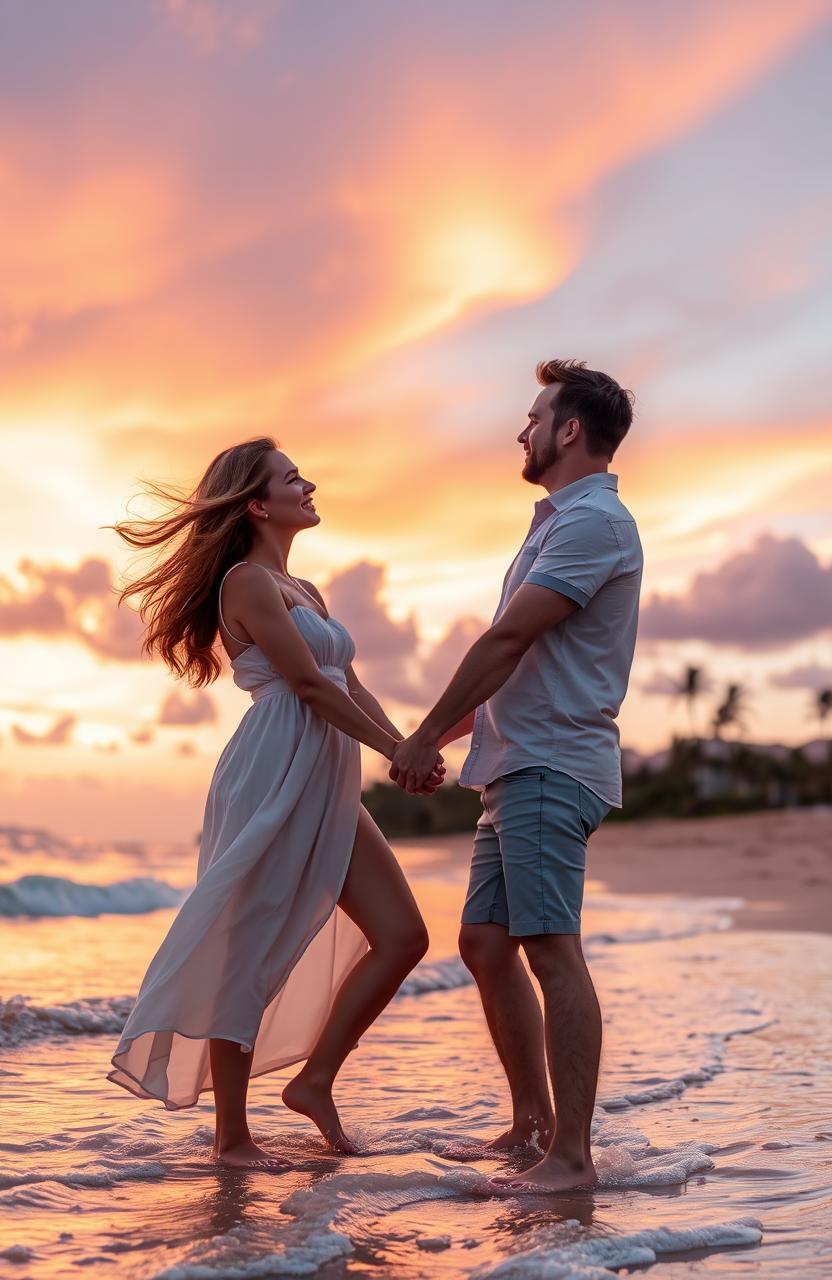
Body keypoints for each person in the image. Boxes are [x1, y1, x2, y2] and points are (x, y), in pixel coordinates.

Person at [106, 439, 442, 1169]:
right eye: (293, 478)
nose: (309, 483)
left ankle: (314, 1080)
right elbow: (311, 687)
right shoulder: (245, 584)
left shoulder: (307, 591)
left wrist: (408, 746)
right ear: (258, 504)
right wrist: (394, 753)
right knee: (246, 945)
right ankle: (232, 1138)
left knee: (403, 935)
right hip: (274, 767)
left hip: (326, 772)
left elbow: (346, 682)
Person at [390, 359, 643, 1194]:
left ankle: (570, 1158)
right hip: (513, 767)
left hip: (549, 765)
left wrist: (426, 732)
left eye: (535, 416)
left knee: (548, 949)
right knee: (486, 946)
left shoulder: (592, 524)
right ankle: (531, 1128)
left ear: (571, 430)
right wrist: (434, 742)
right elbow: (519, 659)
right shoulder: (554, 524)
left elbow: (503, 643)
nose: (523, 430)